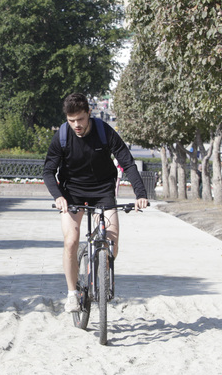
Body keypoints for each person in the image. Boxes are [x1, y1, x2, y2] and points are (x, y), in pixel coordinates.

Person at [43, 92, 149, 313]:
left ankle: (96, 268)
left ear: (89, 113)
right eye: (71, 120)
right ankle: (72, 294)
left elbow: (128, 163)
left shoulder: (104, 132)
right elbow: (48, 171)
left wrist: (140, 194)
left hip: (102, 190)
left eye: (80, 119)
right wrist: (58, 196)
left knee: (112, 242)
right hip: (72, 192)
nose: (76, 125)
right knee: (71, 241)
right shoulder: (62, 136)